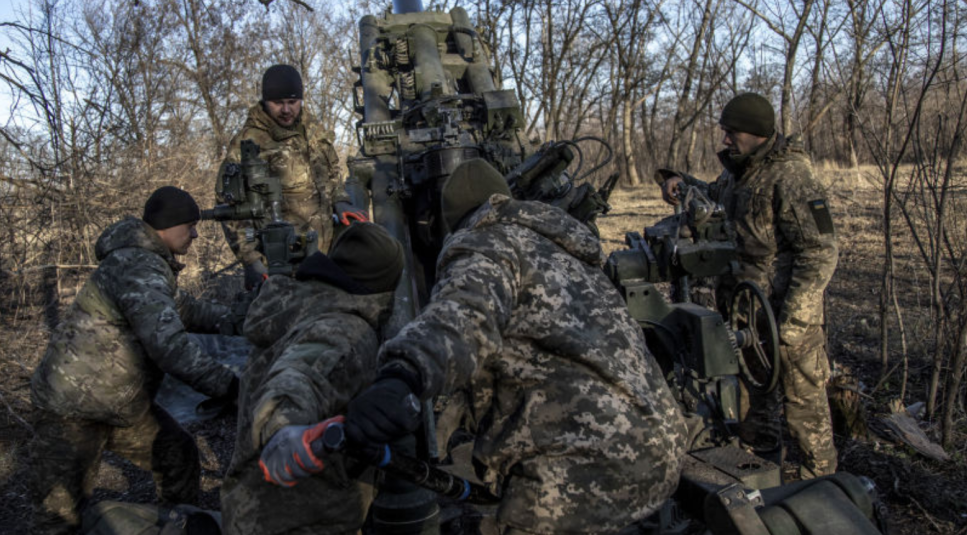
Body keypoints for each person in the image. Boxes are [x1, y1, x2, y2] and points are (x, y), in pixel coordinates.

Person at [334, 159, 688, 535]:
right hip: (660, 445)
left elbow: (464, 318)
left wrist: (402, 374)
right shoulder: (564, 248)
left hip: (583, 467)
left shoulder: (484, 243)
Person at [28, 186, 240, 533]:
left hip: (119, 405)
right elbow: (169, 347)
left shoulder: (149, 264)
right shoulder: (138, 266)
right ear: (167, 227)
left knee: (176, 454)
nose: (195, 233)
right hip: (71, 410)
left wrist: (238, 321)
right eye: (189, 225)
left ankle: (175, 526)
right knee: (59, 515)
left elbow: (184, 309)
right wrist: (230, 386)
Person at [657, 92, 839, 480]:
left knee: (805, 412)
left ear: (755, 133)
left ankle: (823, 494)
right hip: (746, 315)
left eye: (731, 132)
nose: (725, 141)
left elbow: (820, 251)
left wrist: (793, 324)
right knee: (753, 408)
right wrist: (681, 184)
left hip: (785, 319)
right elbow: (716, 200)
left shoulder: (792, 177)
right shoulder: (739, 172)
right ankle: (762, 476)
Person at [220, 222, 404, 535]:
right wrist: (283, 427)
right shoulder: (345, 330)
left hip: (250, 506)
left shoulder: (299, 302)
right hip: (300, 519)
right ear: (384, 286)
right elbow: (297, 377)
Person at [221, 64, 358, 292]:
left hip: (324, 257)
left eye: (292, 102)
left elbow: (331, 171)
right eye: (278, 103)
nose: (286, 110)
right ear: (265, 102)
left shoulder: (313, 130)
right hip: (280, 266)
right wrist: (252, 261)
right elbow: (230, 208)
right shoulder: (247, 142)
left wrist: (340, 200)